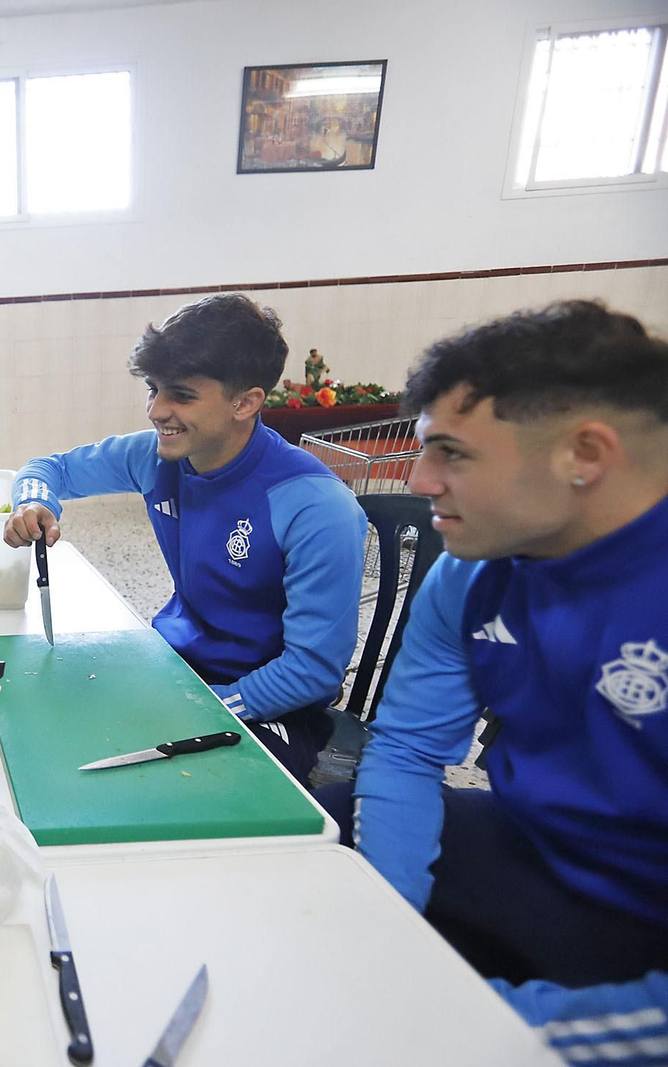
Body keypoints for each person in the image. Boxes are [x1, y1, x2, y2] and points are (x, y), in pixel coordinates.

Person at [316, 301, 668, 1062]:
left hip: (649, 909)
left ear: (585, 453)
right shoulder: (471, 571)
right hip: (539, 847)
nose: (420, 480)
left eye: (453, 454)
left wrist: (483, 1023)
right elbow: (407, 750)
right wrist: (387, 935)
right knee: (314, 820)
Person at [4, 293, 367, 783]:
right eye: (153, 390)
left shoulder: (317, 508)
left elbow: (312, 671)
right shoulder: (155, 457)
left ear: (246, 402)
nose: (156, 410)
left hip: (271, 706)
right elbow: (49, 468)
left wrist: (204, 706)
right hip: (174, 667)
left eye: (181, 395)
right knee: (44, 730)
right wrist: (34, 500)